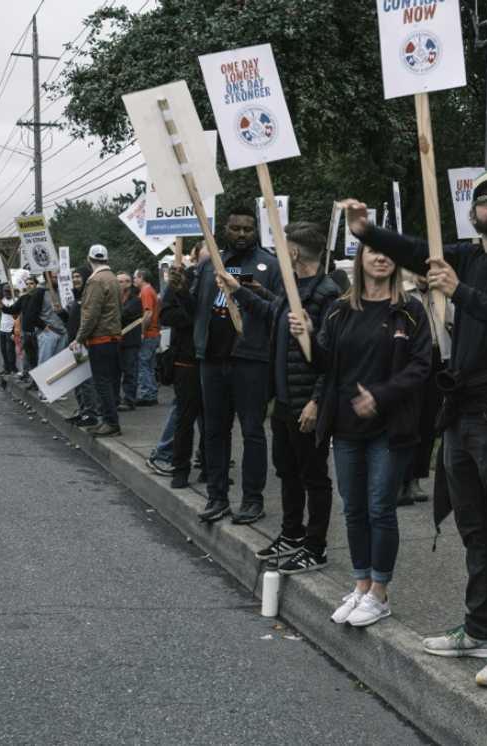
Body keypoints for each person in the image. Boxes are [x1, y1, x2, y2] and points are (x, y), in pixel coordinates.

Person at [344, 168, 487, 689]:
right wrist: (368, 232)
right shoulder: (464, 255)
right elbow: (417, 251)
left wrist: (460, 292)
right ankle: (480, 627)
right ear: (474, 211)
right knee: (474, 528)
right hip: (460, 413)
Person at [277, 242, 430, 624]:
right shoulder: (340, 310)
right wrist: (307, 337)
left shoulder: (409, 310)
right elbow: (325, 365)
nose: (381, 257)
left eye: (388, 252)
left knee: (380, 507)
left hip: (389, 427)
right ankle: (360, 585)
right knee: (354, 508)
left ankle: (380, 591)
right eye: (373, 251)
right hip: (345, 425)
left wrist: (382, 395)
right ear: (360, 258)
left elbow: (422, 366)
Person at [242, 222, 342, 573]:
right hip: (284, 400)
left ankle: (315, 547)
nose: (279, 252)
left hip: (307, 401)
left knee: (313, 475)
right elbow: (273, 313)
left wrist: (317, 401)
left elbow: (330, 355)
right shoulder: (291, 287)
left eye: (284, 247)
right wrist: (238, 292)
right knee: (287, 470)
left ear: (295, 252)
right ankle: (292, 534)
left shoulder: (326, 294)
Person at [174, 205, 281, 524]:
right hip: (212, 360)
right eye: (236, 229)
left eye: (248, 229)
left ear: (256, 231)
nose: (242, 234)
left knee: (252, 431)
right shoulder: (209, 266)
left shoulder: (269, 265)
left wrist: (251, 296)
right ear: (225, 229)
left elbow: (278, 312)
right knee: (214, 432)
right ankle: (217, 496)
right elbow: (196, 308)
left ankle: (252, 499)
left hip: (251, 361)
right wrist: (179, 289)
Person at [398, 273, 448, 506]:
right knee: (409, 420)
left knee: (428, 422)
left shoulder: (443, 293)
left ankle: (416, 479)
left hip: (439, 358)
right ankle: (402, 480)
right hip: (412, 360)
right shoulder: (404, 294)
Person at [161, 248, 206, 489]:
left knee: (214, 420)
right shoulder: (182, 278)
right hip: (186, 361)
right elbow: (165, 315)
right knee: (185, 418)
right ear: (196, 256)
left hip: (215, 360)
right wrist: (195, 317)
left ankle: (209, 467)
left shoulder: (229, 275)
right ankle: (180, 469)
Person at [70, 244, 123, 438]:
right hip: (114, 336)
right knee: (110, 381)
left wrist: (79, 337)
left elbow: (90, 314)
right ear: (106, 259)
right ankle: (110, 420)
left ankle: (110, 422)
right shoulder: (113, 278)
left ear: (88, 259)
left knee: (102, 383)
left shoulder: (95, 280)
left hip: (100, 338)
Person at [60, 267, 101, 428]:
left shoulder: (88, 297)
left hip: (83, 344)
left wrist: (80, 339)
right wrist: (60, 313)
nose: (75, 279)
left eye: (78, 276)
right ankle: (83, 411)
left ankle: (90, 413)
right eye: (73, 277)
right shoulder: (76, 298)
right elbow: (71, 320)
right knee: (77, 380)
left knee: (85, 381)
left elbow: (89, 321)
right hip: (73, 345)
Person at [134, 268, 161, 406]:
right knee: (149, 364)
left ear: (141, 277)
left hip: (149, 333)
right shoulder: (151, 290)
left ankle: (146, 394)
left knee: (143, 364)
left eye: (135, 277)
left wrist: (142, 332)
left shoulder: (145, 291)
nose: (134, 280)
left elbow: (148, 313)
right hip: (155, 333)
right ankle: (151, 393)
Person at [116, 272, 143, 411]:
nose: (124, 284)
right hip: (116, 341)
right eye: (120, 281)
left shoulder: (136, 301)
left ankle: (129, 399)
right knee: (116, 371)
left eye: (127, 281)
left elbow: (123, 315)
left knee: (130, 371)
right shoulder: (114, 299)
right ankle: (117, 398)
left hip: (130, 341)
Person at [34, 274, 66, 367]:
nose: (57, 278)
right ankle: (39, 381)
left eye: (58, 276)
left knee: (59, 366)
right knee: (45, 366)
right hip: (48, 333)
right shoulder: (40, 292)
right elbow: (31, 315)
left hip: (62, 333)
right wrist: (44, 327)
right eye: (54, 277)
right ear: (47, 277)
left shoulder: (63, 290)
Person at [0, 287, 18, 375]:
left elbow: (16, 313)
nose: (7, 293)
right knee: (3, 350)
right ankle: (6, 367)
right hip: (2, 328)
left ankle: (12, 367)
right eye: (5, 291)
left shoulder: (16, 300)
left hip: (11, 329)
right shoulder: (2, 300)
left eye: (8, 291)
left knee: (10, 350)